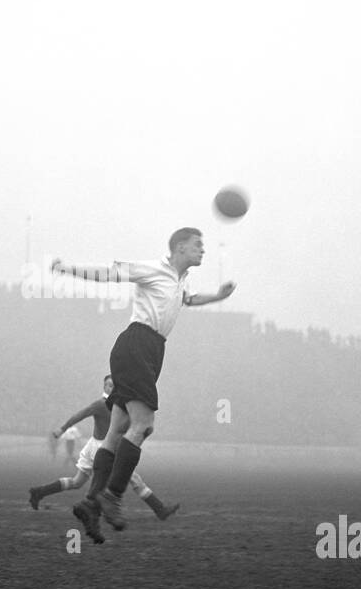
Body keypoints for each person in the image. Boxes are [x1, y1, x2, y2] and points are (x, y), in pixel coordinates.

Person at [50, 228, 234, 543]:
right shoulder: (154, 269)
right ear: (179, 248)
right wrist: (68, 268)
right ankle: (113, 496)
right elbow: (108, 275)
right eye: (197, 245)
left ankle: (91, 503)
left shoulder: (180, 278)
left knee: (117, 429)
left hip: (151, 351)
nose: (202, 250)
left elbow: (187, 300)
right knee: (143, 425)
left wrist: (217, 296)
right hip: (137, 344)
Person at [28, 374, 179, 524]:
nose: (111, 388)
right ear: (104, 387)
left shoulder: (120, 405)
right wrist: (62, 429)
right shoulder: (102, 404)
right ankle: (160, 509)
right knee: (134, 478)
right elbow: (79, 415)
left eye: (114, 385)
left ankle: (39, 492)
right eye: (109, 385)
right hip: (101, 448)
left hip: (100, 446)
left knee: (77, 482)